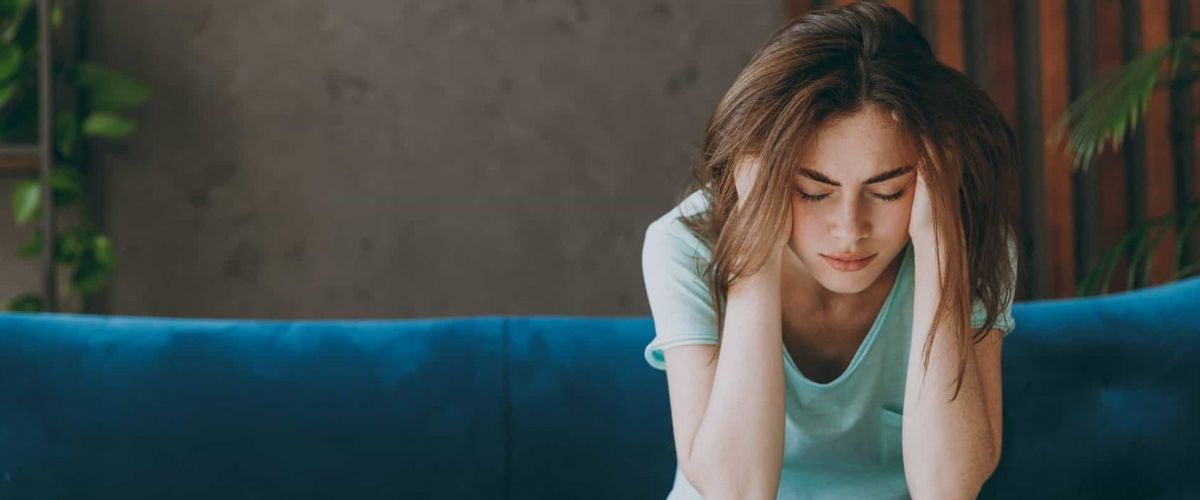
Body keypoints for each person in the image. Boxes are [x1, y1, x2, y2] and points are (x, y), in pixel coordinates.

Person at [639, 2, 1023, 499]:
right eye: (813, 192)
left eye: (887, 192)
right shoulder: (685, 245)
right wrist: (756, 241)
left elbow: (948, 489)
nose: (849, 230)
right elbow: (734, 493)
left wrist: (940, 240)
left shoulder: (975, 242)